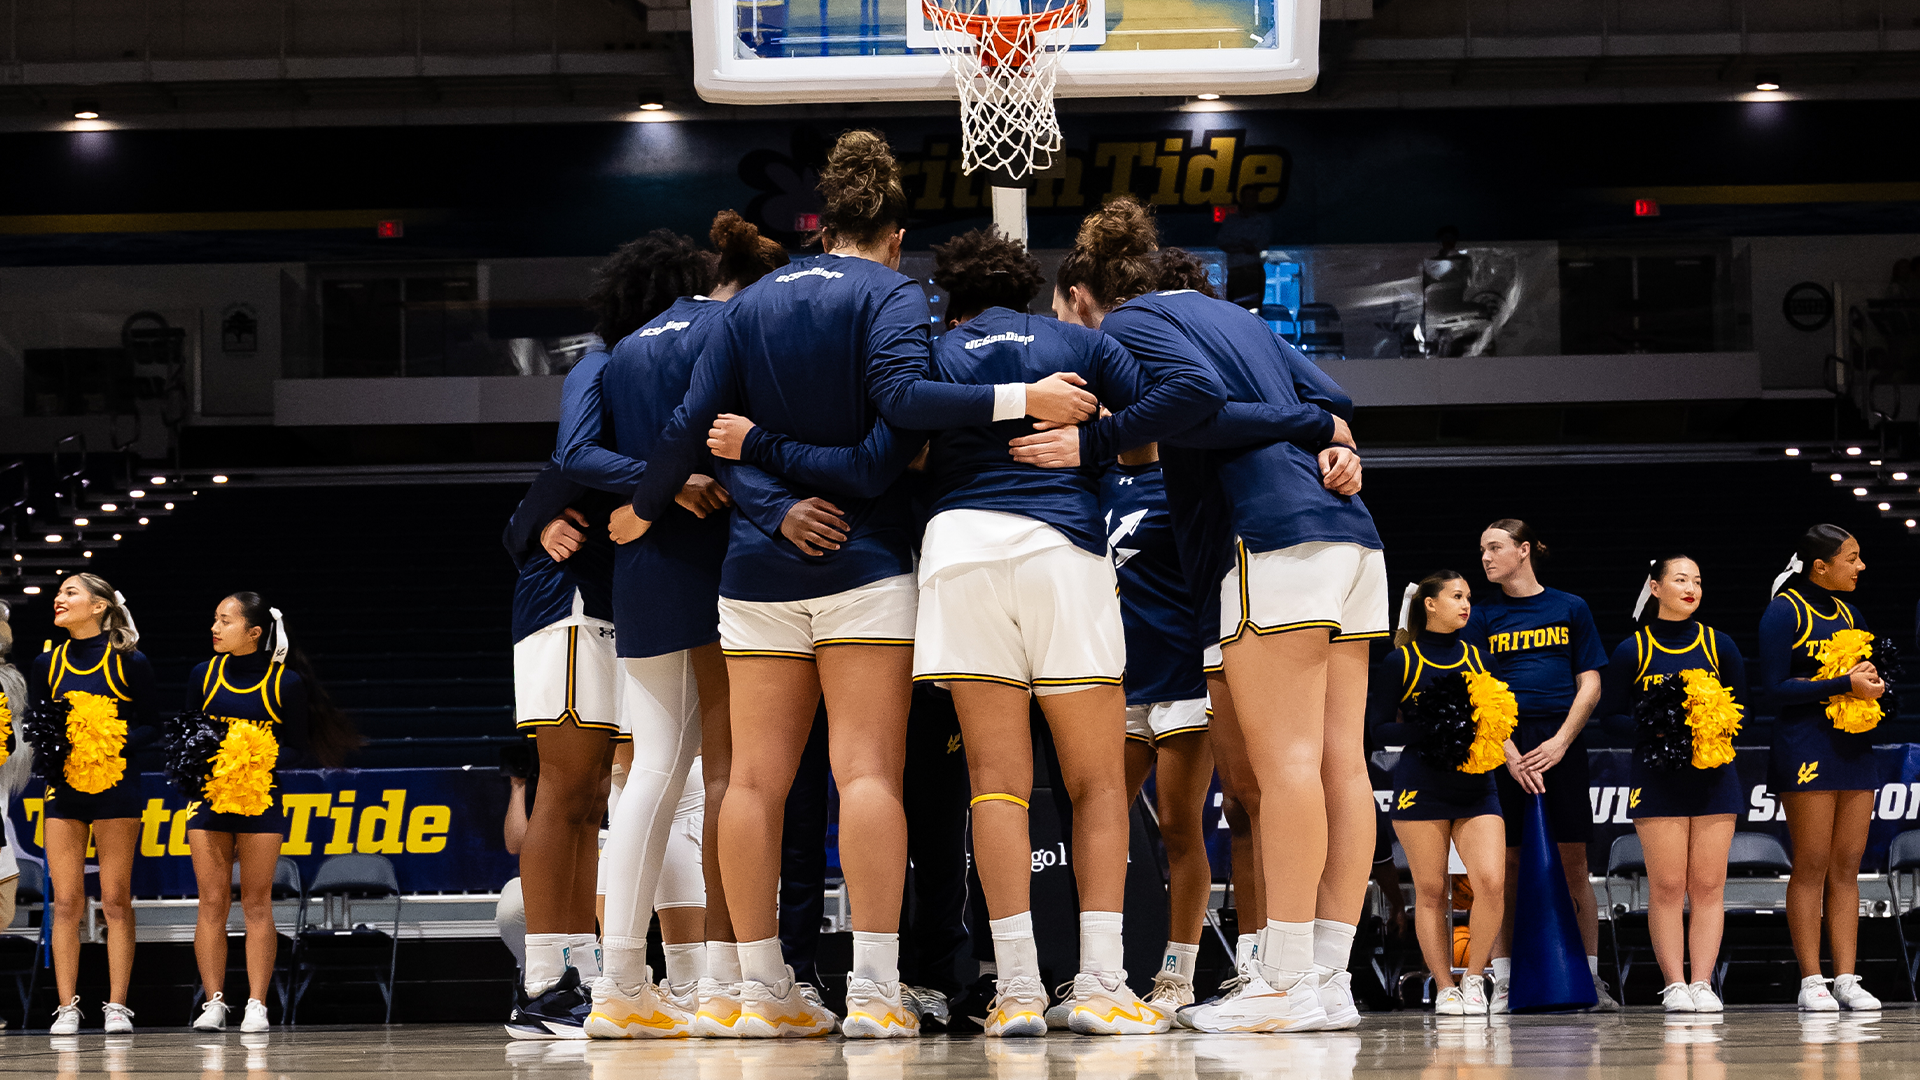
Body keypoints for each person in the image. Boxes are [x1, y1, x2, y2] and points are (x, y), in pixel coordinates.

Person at [618, 131, 1099, 1039]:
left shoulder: (750, 301)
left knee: (752, 783)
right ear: (893, 231)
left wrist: (656, 503)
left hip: (756, 571)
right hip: (867, 564)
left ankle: (760, 991)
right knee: (867, 771)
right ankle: (876, 992)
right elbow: (899, 429)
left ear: (821, 221)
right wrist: (1019, 400)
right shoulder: (893, 294)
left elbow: (696, 430)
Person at [1040, 194, 1376, 1034]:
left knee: (1290, 762)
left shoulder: (1128, 326)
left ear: (1087, 294)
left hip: (1268, 537)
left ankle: (1285, 975)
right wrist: (1324, 431)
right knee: (1343, 765)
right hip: (1351, 540)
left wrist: (1094, 437)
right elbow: (1334, 398)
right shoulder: (1245, 322)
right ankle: (1327, 977)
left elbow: (1191, 398)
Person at [555, 214, 788, 1039]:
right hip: (720, 562)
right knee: (729, 775)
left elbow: (574, 456)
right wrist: (679, 482)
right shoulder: (733, 327)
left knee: (649, 774)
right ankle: (729, 978)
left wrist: (649, 493)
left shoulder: (619, 354)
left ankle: (618, 981)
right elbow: (740, 450)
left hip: (640, 571)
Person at [184, 594, 357, 1032]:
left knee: (258, 901)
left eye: (225, 620)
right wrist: (214, 763)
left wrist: (255, 757)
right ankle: (214, 1002)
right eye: (215, 619)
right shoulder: (203, 675)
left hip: (261, 799)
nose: (215, 627)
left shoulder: (286, 683)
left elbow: (298, 748)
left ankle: (257, 1004)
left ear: (254, 632)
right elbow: (188, 738)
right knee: (211, 902)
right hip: (208, 800)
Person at [1465, 519, 1614, 1012]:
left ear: (1524, 550)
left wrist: (1560, 743)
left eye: (1495, 547)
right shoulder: (1482, 615)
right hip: (1504, 743)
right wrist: (1509, 753)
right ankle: (1506, 981)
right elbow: (1479, 689)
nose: (1485, 557)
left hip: (1560, 742)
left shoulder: (1571, 607)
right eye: (1482, 549)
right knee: (1505, 867)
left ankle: (1590, 979)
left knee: (1576, 867)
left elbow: (1590, 682)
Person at [1595, 556, 1745, 1013]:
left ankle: (1702, 982)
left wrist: (1705, 722)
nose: (1691, 588)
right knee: (1665, 885)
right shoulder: (1631, 650)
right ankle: (1675, 984)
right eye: (1681, 579)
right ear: (1655, 588)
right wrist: (1660, 726)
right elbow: (1610, 720)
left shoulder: (1720, 645)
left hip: (1715, 777)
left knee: (1708, 885)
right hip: (1657, 779)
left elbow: (1749, 714)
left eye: (1698, 581)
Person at [501, 462, 620, 1039]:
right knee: (564, 788)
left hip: (606, 604)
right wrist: (538, 525)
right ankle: (542, 984)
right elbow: (523, 517)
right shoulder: (595, 428)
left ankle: (583, 970)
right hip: (565, 607)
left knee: (591, 800)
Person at [1758, 525, 1886, 1012]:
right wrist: (1839, 685)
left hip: (1853, 746)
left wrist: (1871, 687)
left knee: (1849, 865)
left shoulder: (1851, 611)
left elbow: (1861, 677)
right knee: (1811, 862)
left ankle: (1848, 977)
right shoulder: (1784, 611)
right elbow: (1772, 690)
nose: (1860, 566)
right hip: (1804, 744)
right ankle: (1812, 979)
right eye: (1852, 558)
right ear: (1821, 566)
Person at [1367, 572, 1507, 1016]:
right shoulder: (1401, 662)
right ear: (1429, 604)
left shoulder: (1477, 657)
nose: (1466, 604)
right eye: (1456, 596)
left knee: (1491, 882)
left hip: (1476, 785)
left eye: (1468, 597)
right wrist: (1429, 728)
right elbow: (1376, 729)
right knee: (1431, 890)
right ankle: (1444, 986)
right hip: (1422, 786)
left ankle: (1475, 977)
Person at [1106, 443, 1214, 1018]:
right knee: (1101, 825)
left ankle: (1178, 974)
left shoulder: (1182, 478)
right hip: (1113, 680)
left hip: (1183, 677)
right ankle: (1102, 972)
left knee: (1177, 825)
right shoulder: (1090, 478)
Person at [29, 575, 155, 1035]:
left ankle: (117, 1005)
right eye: (59, 593)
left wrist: (110, 742)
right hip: (64, 790)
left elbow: (153, 725)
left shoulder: (130, 661)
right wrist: (64, 749)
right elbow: (38, 727)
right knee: (65, 901)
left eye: (70, 592)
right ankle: (67, 1006)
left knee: (116, 900)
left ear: (99, 606)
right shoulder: (47, 663)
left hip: (116, 788)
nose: (59, 599)